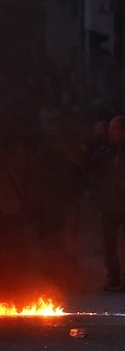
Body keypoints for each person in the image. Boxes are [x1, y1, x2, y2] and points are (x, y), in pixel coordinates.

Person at [89, 115, 125, 291]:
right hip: (109, 205)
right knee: (109, 243)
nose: (111, 134)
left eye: (115, 130)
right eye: (110, 130)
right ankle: (113, 276)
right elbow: (94, 175)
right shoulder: (104, 153)